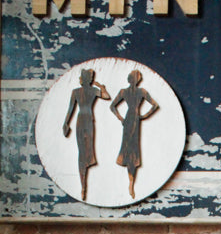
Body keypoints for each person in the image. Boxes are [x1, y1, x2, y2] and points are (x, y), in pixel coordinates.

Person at [110, 69, 159, 199]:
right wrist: (121, 118)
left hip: (133, 120)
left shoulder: (138, 91)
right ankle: (130, 181)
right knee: (129, 148)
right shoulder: (129, 91)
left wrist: (144, 116)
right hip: (132, 119)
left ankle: (131, 182)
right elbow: (112, 106)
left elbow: (155, 105)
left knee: (133, 149)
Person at [62, 68, 110, 201]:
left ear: (83, 79)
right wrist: (101, 87)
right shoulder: (90, 91)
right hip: (87, 120)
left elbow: (70, 109)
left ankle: (83, 185)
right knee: (84, 152)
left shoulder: (77, 91)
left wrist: (66, 123)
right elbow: (106, 95)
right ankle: (83, 186)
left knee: (84, 152)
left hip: (82, 121)